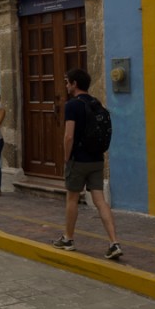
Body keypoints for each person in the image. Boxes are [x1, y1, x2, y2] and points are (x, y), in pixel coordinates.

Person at [53, 68, 122, 260]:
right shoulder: (95, 103)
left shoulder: (72, 105)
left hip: (79, 160)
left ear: (75, 84)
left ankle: (68, 238)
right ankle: (114, 242)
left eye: (68, 82)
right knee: (100, 201)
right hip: (96, 160)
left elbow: (68, 136)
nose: (66, 86)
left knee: (72, 198)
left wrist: (67, 158)